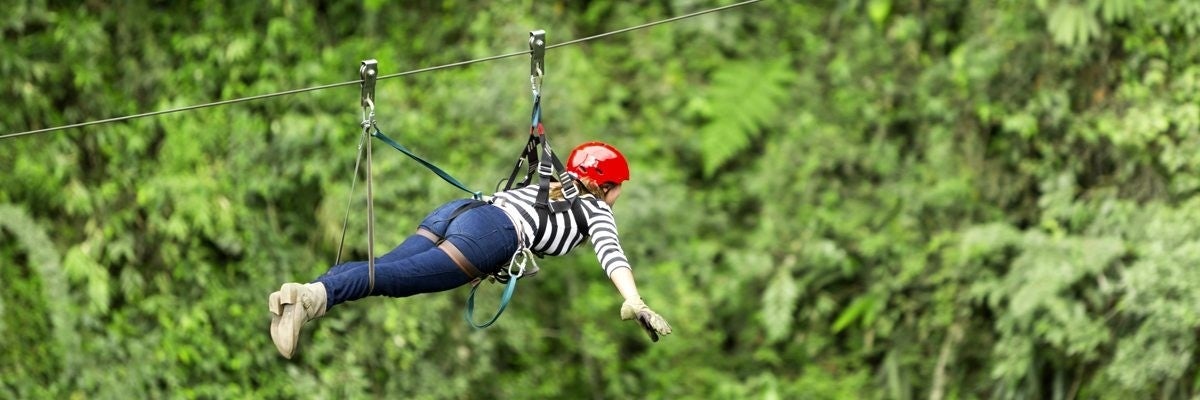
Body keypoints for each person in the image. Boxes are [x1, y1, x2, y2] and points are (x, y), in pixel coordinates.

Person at [268, 141, 673, 358]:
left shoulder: (552, 183)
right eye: (619, 187)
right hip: (489, 234)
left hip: (460, 211)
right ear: (604, 187)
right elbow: (612, 254)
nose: (618, 196)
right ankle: (310, 298)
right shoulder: (596, 208)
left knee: (386, 267)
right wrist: (634, 301)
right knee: (389, 279)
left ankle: (303, 295)